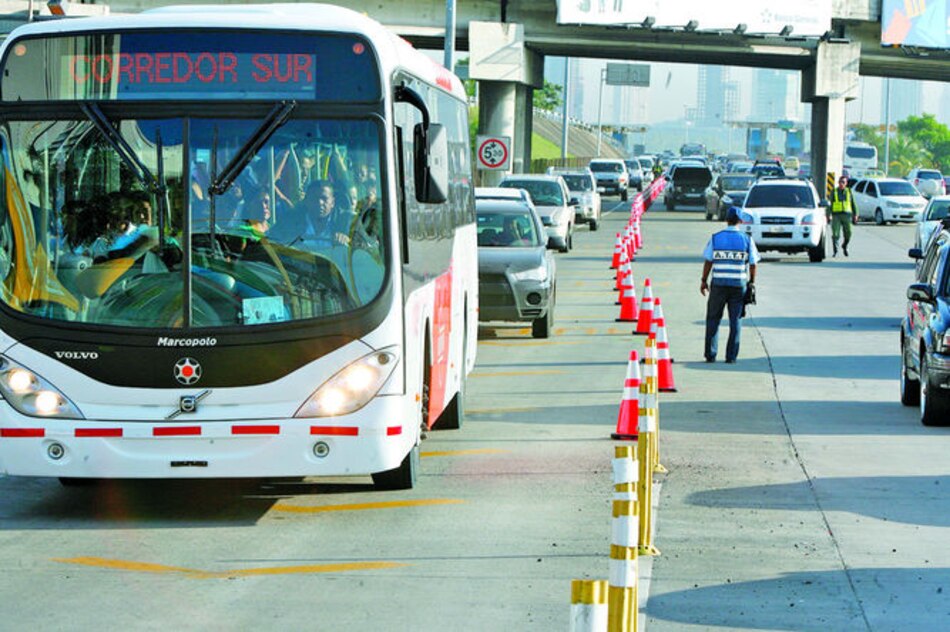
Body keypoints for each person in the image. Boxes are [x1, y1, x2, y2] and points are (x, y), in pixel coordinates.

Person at [700, 207, 759, 363]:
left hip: (718, 285)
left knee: (713, 319)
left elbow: (708, 261)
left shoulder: (716, 238)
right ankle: (731, 356)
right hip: (738, 286)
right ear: (740, 221)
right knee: (735, 321)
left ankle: (710, 354)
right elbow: (753, 264)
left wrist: (703, 280)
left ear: (726, 219)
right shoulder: (747, 239)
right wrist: (752, 282)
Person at [828, 175, 858, 257]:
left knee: (849, 233)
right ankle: (836, 250)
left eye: (843, 182)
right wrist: (828, 214)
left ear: (846, 183)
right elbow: (830, 204)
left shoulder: (849, 191)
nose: (841, 184)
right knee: (835, 234)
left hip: (847, 215)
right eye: (840, 182)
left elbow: (853, 203)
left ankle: (845, 245)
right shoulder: (834, 191)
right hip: (836, 215)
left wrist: (856, 214)